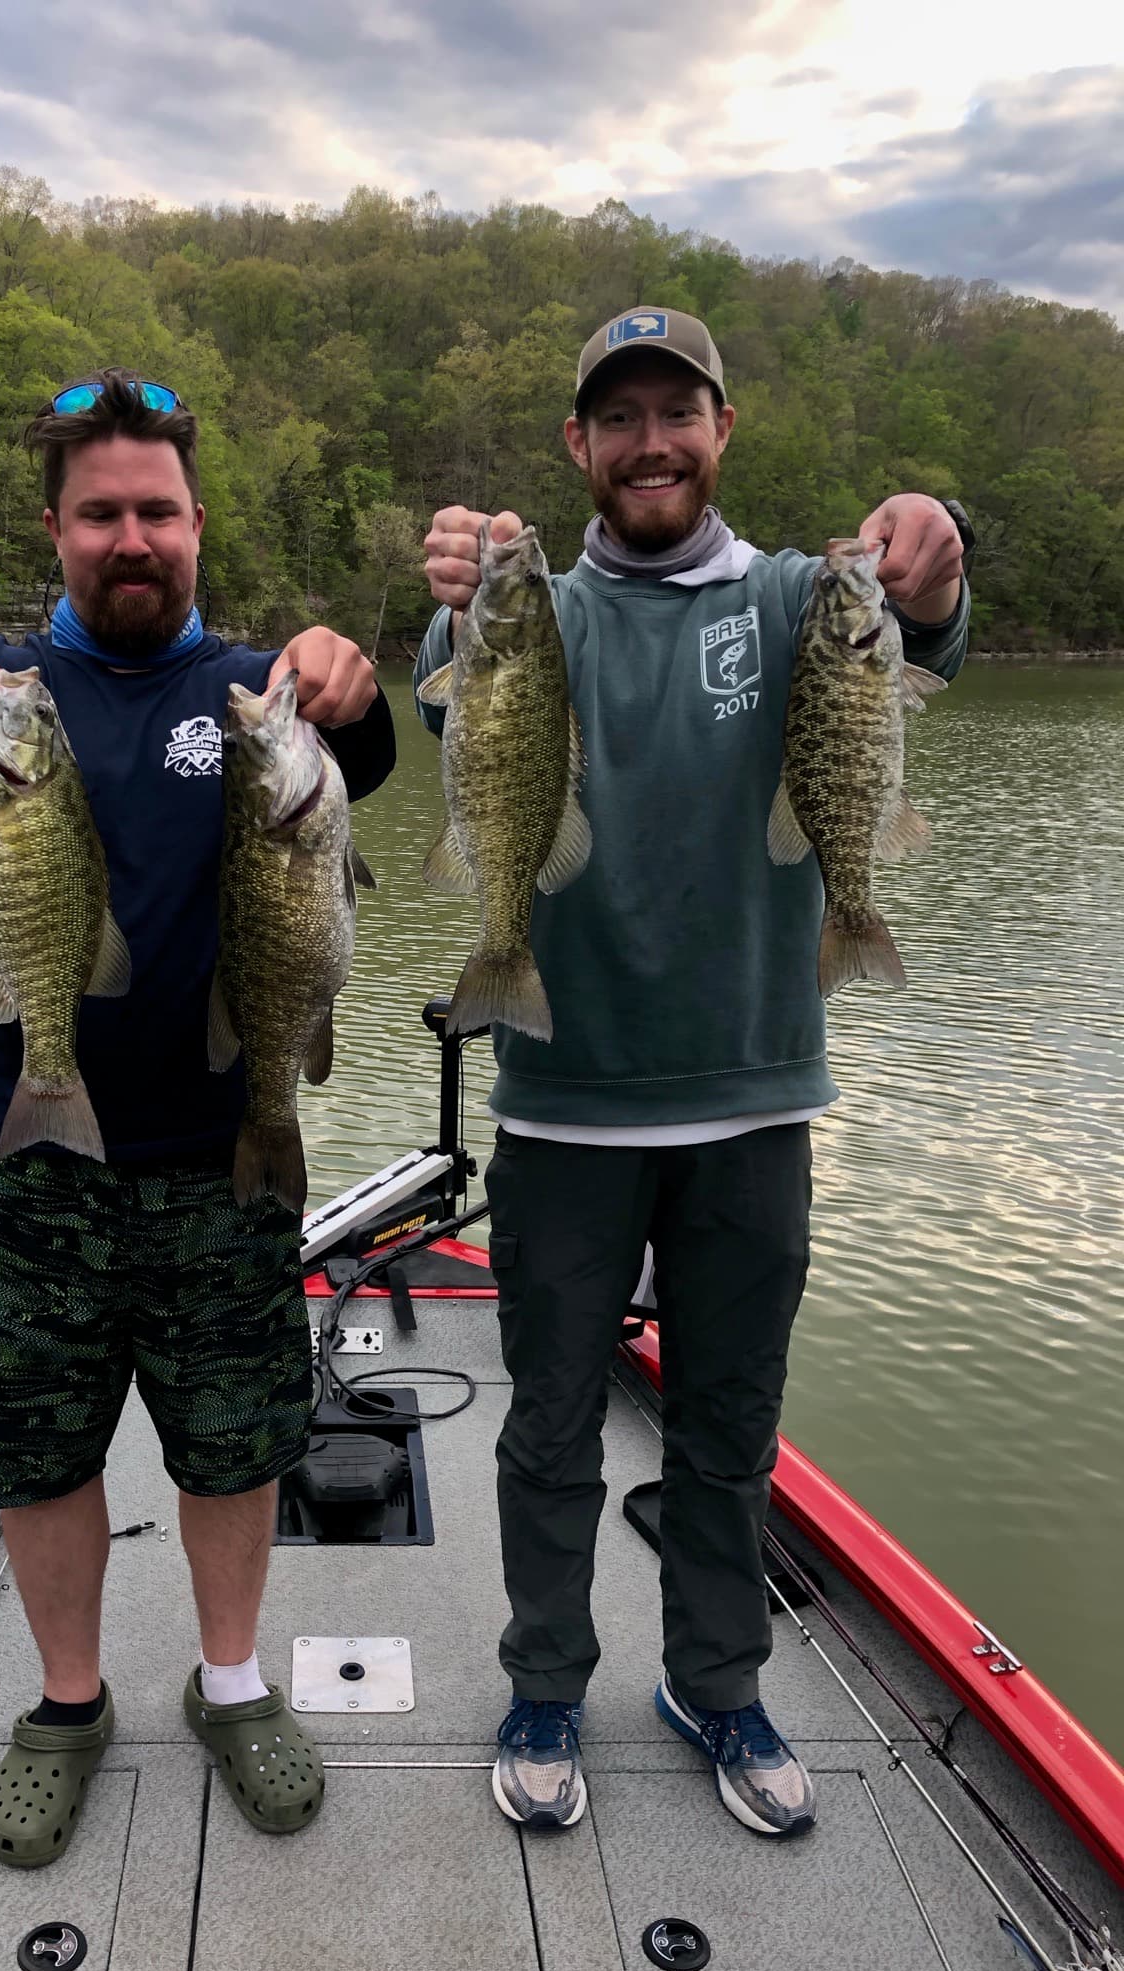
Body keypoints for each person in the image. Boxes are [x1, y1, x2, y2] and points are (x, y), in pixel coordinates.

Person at [416, 307, 970, 1837]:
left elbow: (920, 612)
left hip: (755, 1100)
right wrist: (461, 587)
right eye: (620, 416)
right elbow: (458, 694)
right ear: (578, 445)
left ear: (724, 429)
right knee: (547, 1426)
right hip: (564, 1101)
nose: (650, 441)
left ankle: (717, 1682)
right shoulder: (540, 616)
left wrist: (938, 542)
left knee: (729, 1427)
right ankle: (545, 1680)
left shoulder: (799, 599)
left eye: (679, 411)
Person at [0, 369, 394, 1862]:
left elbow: (354, 753)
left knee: (233, 1443)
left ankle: (231, 1683)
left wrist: (348, 683)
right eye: (99, 512)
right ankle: (68, 1699)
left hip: (224, 1155)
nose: (130, 538)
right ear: (55, 528)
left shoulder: (255, 693)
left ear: (197, 523)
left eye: (155, 511)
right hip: (32, 1158)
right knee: (41, 1452)